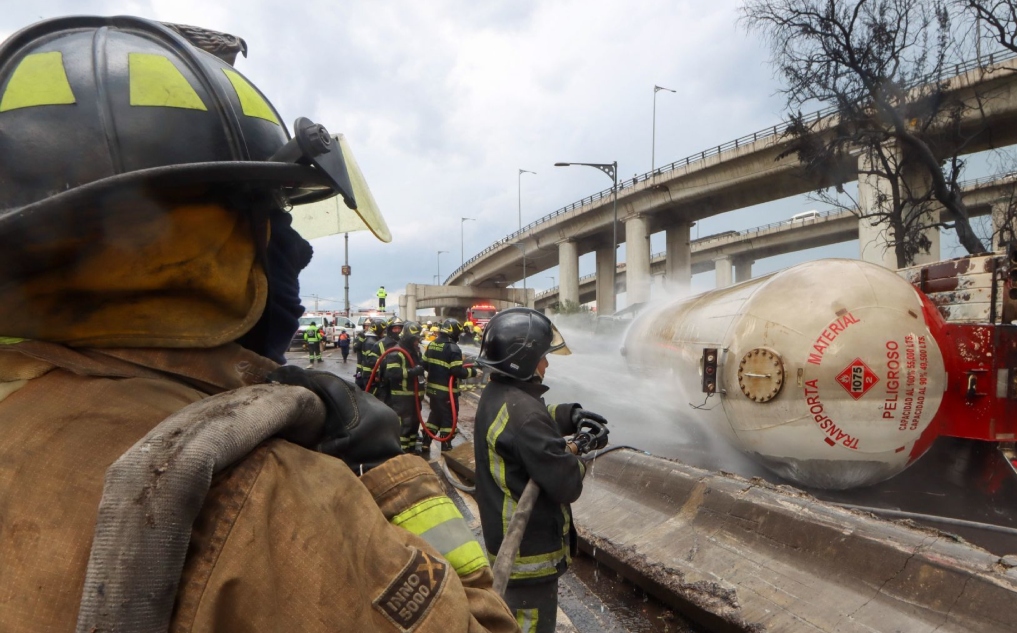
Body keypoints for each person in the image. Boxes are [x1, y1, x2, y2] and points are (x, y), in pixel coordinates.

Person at [0, 17, 515, 633]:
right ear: (209, 243)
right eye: (274, 215)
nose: (293, 249)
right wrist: (394, 481)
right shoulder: (273, 499)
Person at [473, 308, 610, 632]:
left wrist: (570, 415)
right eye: (542, 357)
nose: (547, 364)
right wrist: (580, 448)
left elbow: (534, 415)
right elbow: (566, 483)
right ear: (523, 361)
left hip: (507, 544)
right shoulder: (525, 418)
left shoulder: (498, 397)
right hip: (527, 557)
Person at [422, 319, 477, 449]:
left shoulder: (432, 344)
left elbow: (424, 364)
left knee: (435, 414)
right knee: (449, 418)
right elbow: (457, 370)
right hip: (447, 392)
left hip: (432, 390)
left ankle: (426, 441)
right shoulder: (453, 348)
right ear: (453, 332)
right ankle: (446, 445)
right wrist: (472, 372)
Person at [374, 319, 426, 454]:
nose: (417, 341)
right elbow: (392, 373)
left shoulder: (415, 351)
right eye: (415, 339)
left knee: (415, 423)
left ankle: (411, 447)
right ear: (408, 337)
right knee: (405, 423)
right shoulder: (397, 352)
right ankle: (401, 451)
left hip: (414, 395)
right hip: (402, 396)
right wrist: (413, 372)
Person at [354, 318, 381, 389]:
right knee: (358, 385)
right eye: (366, 326)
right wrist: (362, 338)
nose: (368, 327)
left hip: (366, 367)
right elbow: (355, 347)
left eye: (369, 326)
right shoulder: (361, 335)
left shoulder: (374, 337)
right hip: (360, 366)